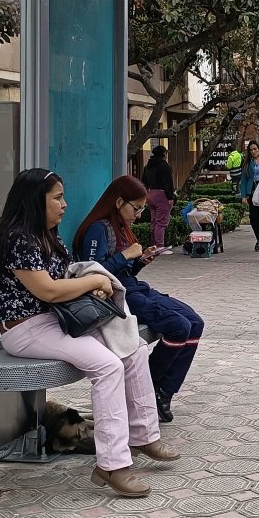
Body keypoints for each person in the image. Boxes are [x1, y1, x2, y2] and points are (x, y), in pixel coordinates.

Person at [0, 168, 179, 498]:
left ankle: (144, 435)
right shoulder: (17, 238)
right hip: (25, 329)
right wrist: (96, 281)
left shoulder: (47, 233)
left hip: (55, 321)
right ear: (34, 201)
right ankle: (113, 464)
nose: (65, 205)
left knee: (134, 347)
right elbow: (49, 291)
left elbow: (65, 281)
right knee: (108, 366)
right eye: (57, 198)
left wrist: (92, 288)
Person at [74, 175, 206, 425]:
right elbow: (92, 271)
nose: (139, 214)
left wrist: (139, 261)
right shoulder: (97, 229)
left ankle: (162, 392)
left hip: (136, 288)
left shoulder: (121, 227)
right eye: (136, 208)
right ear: (119, 201)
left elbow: (125, 271)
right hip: (118, 297)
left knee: (195, 323)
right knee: (179, 327)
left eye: (142, 208)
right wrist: (126, 255)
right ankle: (148, 390)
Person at [141, 145, 175, 254]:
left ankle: (153, 245)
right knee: (161, 222)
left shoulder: (148, 166)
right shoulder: (165, 166)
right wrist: (170, 197)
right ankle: (160, 246)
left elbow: (143, 182)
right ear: (164, 154)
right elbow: (168, 182)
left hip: (150, 194)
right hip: (162, 195)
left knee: (154, 221)